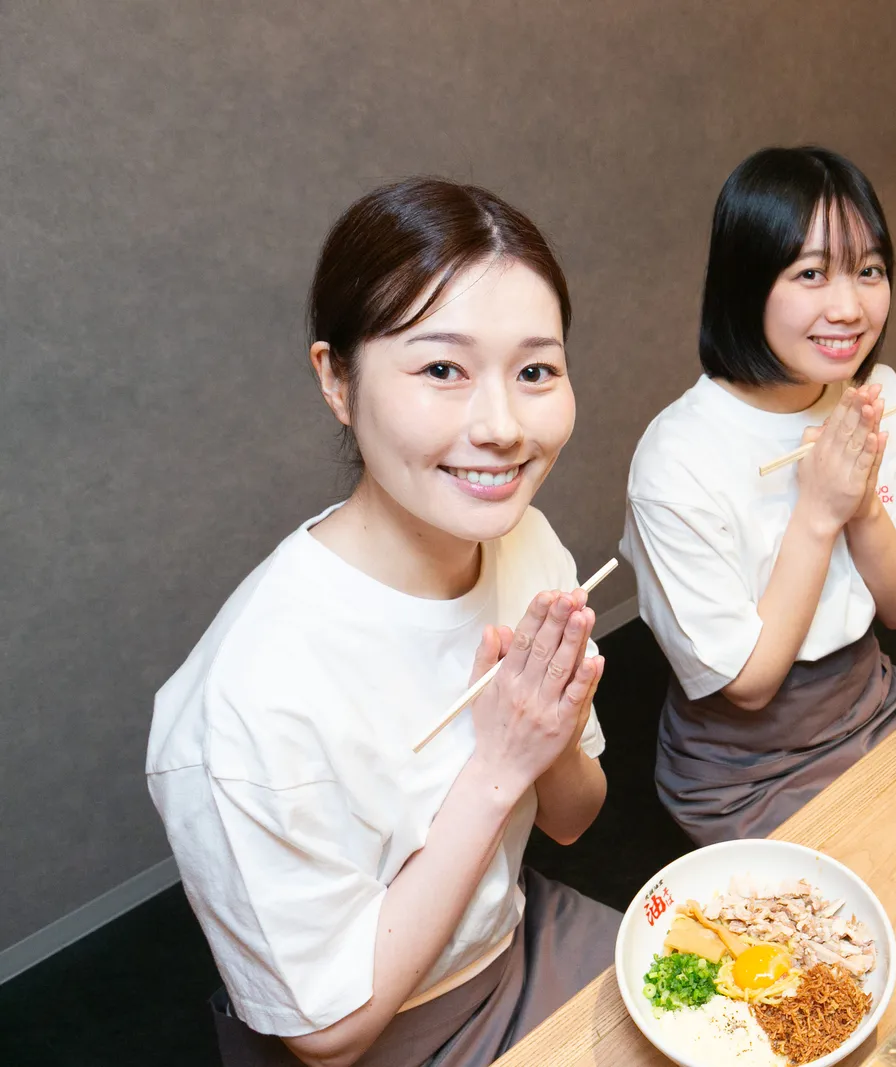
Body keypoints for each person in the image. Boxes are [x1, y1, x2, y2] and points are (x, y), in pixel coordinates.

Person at [146, 178, 618, 1067]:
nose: (503, 426)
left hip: (521, 943)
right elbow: (329, 1034)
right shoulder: (245, 700)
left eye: (535, 370)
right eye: (442, 368)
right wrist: (498, 766)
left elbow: (573, 820)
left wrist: (550, 740)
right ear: (336, 378)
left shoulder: (530, 546)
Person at [620, 147, 896, 846]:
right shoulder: (677, 457)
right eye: (810, 273)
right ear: (746, 283)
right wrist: (821, 511)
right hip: (744, 769)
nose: (850, 306)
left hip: (871, 701)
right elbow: (750, 683)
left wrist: (862, 506)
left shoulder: (880, 397)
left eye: (869, 271)